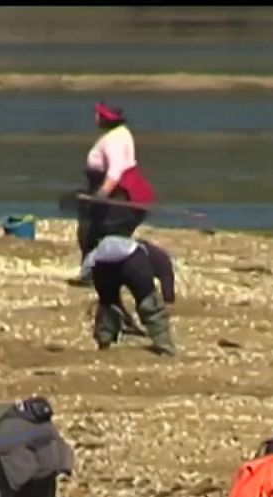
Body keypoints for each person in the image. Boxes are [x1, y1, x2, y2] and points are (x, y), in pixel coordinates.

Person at [72, 102, 155, 282]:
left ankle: (94, 274)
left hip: (121, 194)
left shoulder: (113, 141)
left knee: (96, 234)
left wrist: (100, 196)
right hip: (123, 191)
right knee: (105, 235)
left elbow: (114, 172)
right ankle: (102, 272)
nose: (95, 119)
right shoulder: (122, 133)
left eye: (97, 115)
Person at [79, 234, 178, 356]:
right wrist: (168, 299)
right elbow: (166, 274)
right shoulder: (158, 256)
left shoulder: (101, 248)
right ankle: (165, 347)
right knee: (149, 304)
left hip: (101, 264)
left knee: (108, 304)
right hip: (132, 263)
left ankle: (104, 341)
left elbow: (86, 272)